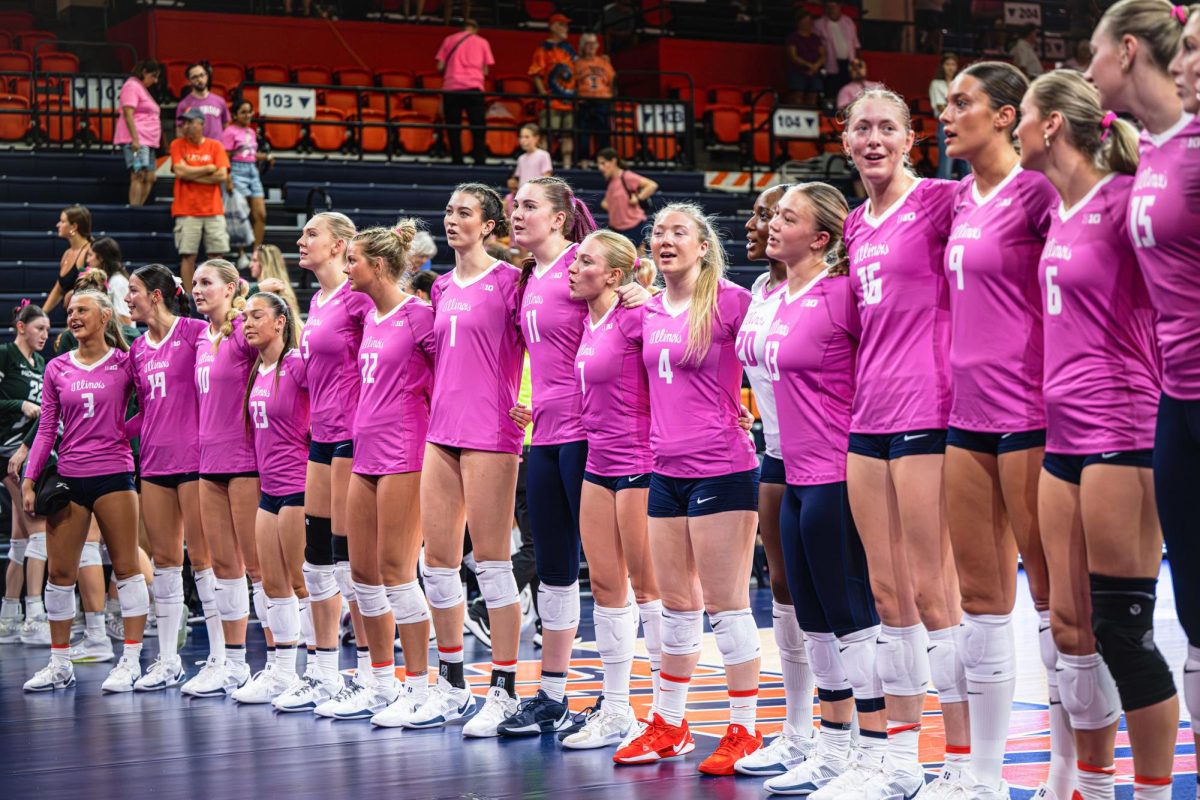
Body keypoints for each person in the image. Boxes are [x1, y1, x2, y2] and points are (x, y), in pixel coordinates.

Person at [1017, 67, 1178, 800]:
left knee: (1125, 631)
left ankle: (1150, 791)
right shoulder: (1059, 210)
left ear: (1051, 124)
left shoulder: (1123, 201)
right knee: (1070, 628)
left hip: (1126, 431)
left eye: (1021, 113)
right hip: (1063, 438)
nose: (1017, 125)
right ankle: (1090, 781)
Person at [839, 89, 971, 797]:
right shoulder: (856, 223)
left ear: (912, 138)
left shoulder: (943, 201)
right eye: (862, 127)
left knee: (936, 592)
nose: (874, 138)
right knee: (889, 597)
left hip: (931, 413)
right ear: (845, 137)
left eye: (887, 127)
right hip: (868, 421)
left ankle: (961, 763)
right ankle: (900, 763)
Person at [938, 60, 1058, 800]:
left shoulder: (1038, 192)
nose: (947, 115)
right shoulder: (954, 200)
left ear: (1007, 115)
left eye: (962, 103)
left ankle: (1072, 774)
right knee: (982, 602)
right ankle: (982, 776)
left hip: (1032, 414)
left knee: (1058, 607)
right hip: (965, 418)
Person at [1089, 1, 1200, 790]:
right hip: (1177, 401)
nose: (1186, 60)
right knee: (1195, 616)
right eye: (1184, 47)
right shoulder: (1156, 153)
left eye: (1195, 48)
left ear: (1125, 52)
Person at [613, 204, 762, 776]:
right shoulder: (647, 309)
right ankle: (671, 724)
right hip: (664, 470)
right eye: (658, 232)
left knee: (726, 607)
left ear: (704, 246)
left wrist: (758, 416)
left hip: (722, 466)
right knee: (675, 606)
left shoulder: (731, 301)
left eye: (679, 232)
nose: (665, 239)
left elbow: (770, 363)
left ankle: (744, 730)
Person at [757, 183, 887, 797]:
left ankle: (878, 756)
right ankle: (834, 749)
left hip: (838, 473)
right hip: (793, 474)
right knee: (812, 619)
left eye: (788, 217)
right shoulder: (777, 297)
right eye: (774, 215)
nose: (772, 223)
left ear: (822, 239)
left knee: (852, 617)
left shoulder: (844, 294)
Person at [405, 184, 524, 736]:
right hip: (441, 432)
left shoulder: (510, 283)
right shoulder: (443, 287)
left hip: (492, 432)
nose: (452, 220)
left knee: (496, 567)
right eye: (449, 211)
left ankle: (503, 689)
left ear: (490, 225)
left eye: (465, 213)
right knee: (437, 563)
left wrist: (532, 402)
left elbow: (548, 344)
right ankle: (452, 684)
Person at [497, 177, 597, 738]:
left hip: (593, 436)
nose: (518, 214)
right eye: (515, 205)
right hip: (545, 437)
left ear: (559, 218)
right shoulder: (528, 278)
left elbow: (633, 323)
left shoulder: (586, 263)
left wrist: (637, 290)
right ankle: (553, 696)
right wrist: (527, 402)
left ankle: (626, 704)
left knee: (610, 576)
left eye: (530, 206)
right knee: (554, 571)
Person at [728, 183, 820, 780]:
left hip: (828, 456)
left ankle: (859, 738)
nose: (756, 223)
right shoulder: (759, 291)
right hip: (776, 453)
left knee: (830, 598)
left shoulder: (821, 289)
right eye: (759, 213)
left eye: (772, 214)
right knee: (783, 589)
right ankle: (795, 729)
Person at [559, 229, 662, 749]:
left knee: (650, 592)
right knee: (605, 588)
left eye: (585, 261)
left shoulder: (639, 316)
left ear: (615, 276)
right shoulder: (587, 320)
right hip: (598, 465)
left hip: (641, 465)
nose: (573, 268)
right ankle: (618, 708)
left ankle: (668, 716)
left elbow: (680, 362)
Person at [330, 222, 436, 726]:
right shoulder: (371, 317)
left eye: (352, 260)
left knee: (397, 571)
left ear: (376, 266)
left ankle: (420, 689)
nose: (346, 268)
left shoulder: (420, 315)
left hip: (405, 453)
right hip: (365, 450)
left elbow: (448, 382)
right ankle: (379, 683)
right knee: (363, 574)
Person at [20, 291, 149, 693]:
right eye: (70, 310)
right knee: (59, 574)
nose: (72, 316)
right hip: (70, 478)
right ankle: (60, 663)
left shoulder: (127, 361)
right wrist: (29, 477)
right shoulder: (57, 367)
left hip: (115, 474)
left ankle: (129, 661)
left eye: (82, 310)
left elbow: (150, 409)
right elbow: (46, 429)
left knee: (126, 569)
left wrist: (118, 433)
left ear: (105, 316)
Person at [275, 213, 373, 715]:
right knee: (315, 560)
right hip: (322, 435)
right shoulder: (316, 301)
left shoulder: (361, 299)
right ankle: (323, 672)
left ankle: (373, 677)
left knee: (350, 562)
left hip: (355, 439)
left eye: (311, 234)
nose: (301, 241)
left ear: (339, 245)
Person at [124, 264, 217, 690]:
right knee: (164, 563)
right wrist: (113, 433)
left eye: (134, 292)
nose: (128, 299)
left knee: (203, 560)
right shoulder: (137, 349)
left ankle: (220, 656)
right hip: (155, 463)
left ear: (157, 296)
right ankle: (167, 659)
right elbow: (141, 409)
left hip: (196, 460)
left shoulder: (195, 332)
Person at [182, 259, 261, 698]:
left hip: (246, 459)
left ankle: (283, 663)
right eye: (194, 283)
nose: (198, 289)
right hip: (207, 463)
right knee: (224, 567)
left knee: (258, 569)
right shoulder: (201, 339)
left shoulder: (245, 333)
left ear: (232, 288)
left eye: (207, 283)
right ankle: (233, 664)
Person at [232, 292, 310, 704]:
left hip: (299, 488)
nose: (247, 323)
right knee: (272, 584)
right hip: (269, 491)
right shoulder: (256, 370)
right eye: (244, 317)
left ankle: (318, 672)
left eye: (256, 316)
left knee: (303, 583)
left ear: (280, 321)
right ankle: (281, 673)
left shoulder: (296, 364)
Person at [0, 303, 49, 646]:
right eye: (39, 329)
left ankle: (7, 618)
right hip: (7, 451)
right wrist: (19, 405)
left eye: (47, 329)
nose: (45, 335)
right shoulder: (5, 355)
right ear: (21, 327)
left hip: (24, 450)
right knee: (39, 533)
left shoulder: (42, 364)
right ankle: (34, 615)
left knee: (20, 539)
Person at [172, 108, 231, 293]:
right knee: (188, 256)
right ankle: (189, 298)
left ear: (201, 124)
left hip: (214, 210)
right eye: (184, 123)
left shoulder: (215, 146)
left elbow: (222, 175)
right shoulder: (177, 144)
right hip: (186, 210)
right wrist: (208, 167)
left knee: (217, 256)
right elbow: (180, 171)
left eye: (191, 122)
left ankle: (219, 294)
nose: (186, 126)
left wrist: (191, 174)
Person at [437, 19, 493, 165]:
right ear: (476, 29)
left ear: (461, 29)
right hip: (474, 88)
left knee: (454, 127)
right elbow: (485, 70)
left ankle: (457, 159)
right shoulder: (483, 42)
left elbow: (440, 66)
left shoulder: (449, 40)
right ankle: (479, 159)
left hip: (452, 88)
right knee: (478, 127)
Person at [222, 100, 272, 250]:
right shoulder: (229, 131)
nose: (247, 115)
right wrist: (228, 178)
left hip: (253, 172)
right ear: (235, 115)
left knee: (261, 214)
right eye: (243, 112)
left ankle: (256, 252)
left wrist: (266, 157)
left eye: (249, 111)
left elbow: (249, 154)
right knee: (240, 214)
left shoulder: (251, 131)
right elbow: (225, 157)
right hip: (237, 171)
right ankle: (241, 252)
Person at [530, 13, 577, 169]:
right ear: (552, 27)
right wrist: (543, 92)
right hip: (552, 101)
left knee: (567, 135)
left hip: (568, 101)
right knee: (546, 135)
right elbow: (536, 73)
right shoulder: (543, 49)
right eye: (562, 25)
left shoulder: (568, 50)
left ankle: (567, 167)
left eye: (566, 25)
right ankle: (543, 169)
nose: (566, 28)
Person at [114, 59, 162, 207]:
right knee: (138, 174)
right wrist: (135, 139)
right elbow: (128, 112)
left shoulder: (142, 88)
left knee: (150, 177)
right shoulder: (132, 86)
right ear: (144, 72)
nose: (155, 81)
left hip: (149, 140)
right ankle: (135, 209)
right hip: (138, 139)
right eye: (153, 76)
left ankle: (139, 208)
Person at [597, 148, 657, 247]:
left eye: (603, 163)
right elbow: (604, 203)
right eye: (599, 164)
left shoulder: (626, 176)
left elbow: (652, 185)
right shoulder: (612, 182)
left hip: (634, 227)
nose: (600, 167)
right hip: (617, 229)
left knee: (639, 261)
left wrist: (638, 198)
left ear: (613, 161)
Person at [574, 33, 616, 167]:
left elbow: (612, 81)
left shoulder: (604, 62)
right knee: (583, 132)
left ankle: (605, 162)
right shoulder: (577, 63)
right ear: (582, 46)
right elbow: (572, 83)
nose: (591, 46)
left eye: (594, 43)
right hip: (584, 101)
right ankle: (584, 161)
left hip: (602, 100)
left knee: (603, 132)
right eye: (588, 44)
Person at [42, 205, 93, 315]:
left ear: (74, 226)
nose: (58, 225)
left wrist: (74, 293)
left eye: (62, 221)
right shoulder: (67, 254)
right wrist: (41, 314)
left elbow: (96, 287)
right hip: (72, 316)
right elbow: (59, 289)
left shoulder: (90, 252)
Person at [930, 54, 968, 179]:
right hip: (946, 124)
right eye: (947, 64)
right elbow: (941, 107)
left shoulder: (961, 84)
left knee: (966, 164)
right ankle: (942, 195)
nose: (950, 68)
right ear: (942, 67)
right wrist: (960, 106)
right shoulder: (936, 84)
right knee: (946, 164)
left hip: (963, 124)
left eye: (953, 64)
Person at [814, 2, 860, 102]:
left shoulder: (848, 21)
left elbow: (855, 44)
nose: (831, 10)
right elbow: (815, 45)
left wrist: (856, 63)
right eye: (829, 7)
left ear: (839, 7)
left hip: (849, 62)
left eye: (834, 7)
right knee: (832, 90)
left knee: (848, 90)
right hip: (830, 64)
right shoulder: (819, 24)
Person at [176, 62, 231, 140]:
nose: (200, 79)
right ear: (189, 81)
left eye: (202, 75)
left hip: (216, 148)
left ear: (207, 76)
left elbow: (226, 127)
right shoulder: (183, 104)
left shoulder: (220, 101)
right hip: (195, 149)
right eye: (195, 77)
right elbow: (180, 132)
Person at [85, 237, 131, 327]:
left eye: (90, 255)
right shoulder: (104, 280)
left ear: (101, 258)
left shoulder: (118, 282)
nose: (87, 260)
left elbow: (125, 320)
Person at [250, 245, 301, 325]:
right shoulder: (284, 290)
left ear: (266, 264)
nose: (250, 265)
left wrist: (257, 289)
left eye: (255, 260)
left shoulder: (276, 293)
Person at [786, 11, 826, 106]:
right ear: (799, 23)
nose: (807, 25)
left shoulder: (815, 38)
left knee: (813, 95)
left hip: (814, 72)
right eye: (805, 22)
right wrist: (808, 65)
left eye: (809, 22)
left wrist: (816, 66)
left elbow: (823, 55)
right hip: (798, 71)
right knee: (797, 95)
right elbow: (793, 56)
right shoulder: (793, 38)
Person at [516, 123, 553, 188]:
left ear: (536, 138)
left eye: (527, 137)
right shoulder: (521, 158)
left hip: (537, 195)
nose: (522, 140)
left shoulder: (543, 155)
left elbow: (547, 180)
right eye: (521, 137)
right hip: (522, 195)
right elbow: (520, 180)